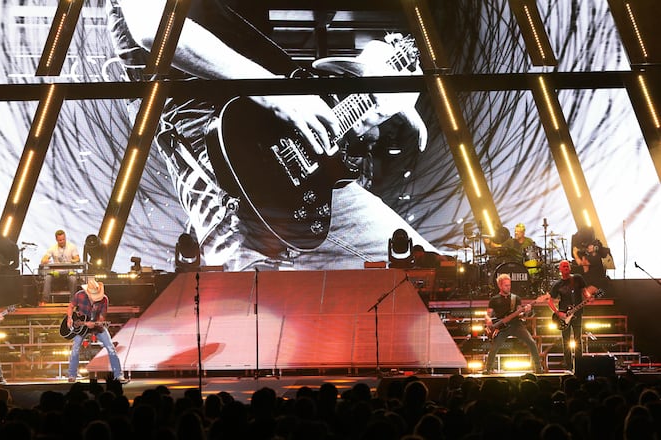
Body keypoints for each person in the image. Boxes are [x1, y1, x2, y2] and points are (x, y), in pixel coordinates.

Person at [108, 0, 437, 271]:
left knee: (428, 272)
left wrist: (349, 121)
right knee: (256, 323)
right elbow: (153, 28)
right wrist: (278, 94)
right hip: (224, 163)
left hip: (293, 165)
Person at [65, 278, 125, 383]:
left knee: (111, 348)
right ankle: (72, 375)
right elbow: (71, 306)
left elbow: (102, 318)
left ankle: (118, 375)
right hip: (82, 327)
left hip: (97, 326)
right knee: (75, 348)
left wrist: (94, 323)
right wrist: (70, 318)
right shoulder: (80, 295)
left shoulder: (104, 299)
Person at [483, 273, 543, 374]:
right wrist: (487, 319)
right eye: (506, 285)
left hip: (516, 325)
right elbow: (488, 313)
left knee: (531, 342)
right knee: (494, 347)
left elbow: (521, 313)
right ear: (500, 285)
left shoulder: (516, 298)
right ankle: (488, 369)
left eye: (509, 285)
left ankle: (538, 367)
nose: (508, 287)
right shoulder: (494, 299)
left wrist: (527, 310)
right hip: (501, 327)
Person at [547, 260, 597, 372]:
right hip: (564, 315)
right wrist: (557, 312)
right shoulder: (557, 284)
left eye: (568, 266)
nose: (566, 268)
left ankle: (579, 365)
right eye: (564, 266)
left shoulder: (577, 278)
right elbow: (550, 301)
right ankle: (568, 366)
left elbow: (585, 292)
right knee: (566, 341)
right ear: (560, 269)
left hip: (577, 313)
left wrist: (589, 297)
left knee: (578, 339)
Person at [40, 229, 80, 305]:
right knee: (48, 277)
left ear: (65, 238)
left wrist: (74, 260)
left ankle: (73, 301)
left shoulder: (72, 247)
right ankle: (45, 300)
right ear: (56, 240)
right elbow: (44, 259)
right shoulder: (52, 248)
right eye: (60, 240)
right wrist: (45, 260)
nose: (62, 241)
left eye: (63, 239)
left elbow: (77, 258)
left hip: (69, 272)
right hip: (57, 273)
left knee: (73, 279)